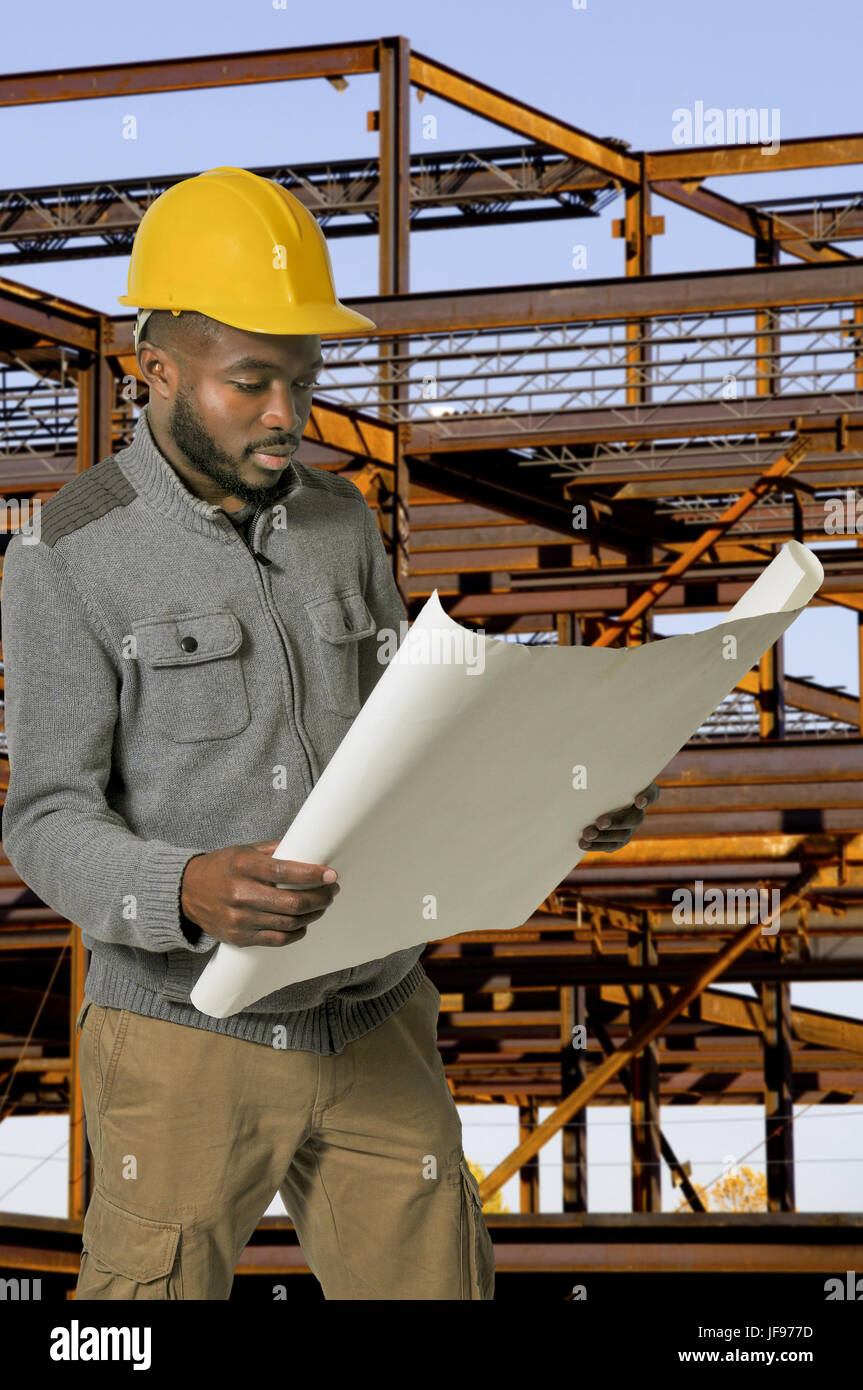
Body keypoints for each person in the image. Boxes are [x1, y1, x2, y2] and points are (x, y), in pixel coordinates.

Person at [1, 166, 656, 1301]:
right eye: (250, 382)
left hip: (374, 1014)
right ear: (154, 368)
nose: (285, 414)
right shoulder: (66, 550)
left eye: (300, 381)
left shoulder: (340, 519)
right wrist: (184, 886)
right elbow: (46, 818)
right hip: (181, 1030)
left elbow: (416, 732)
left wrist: (558, 793)